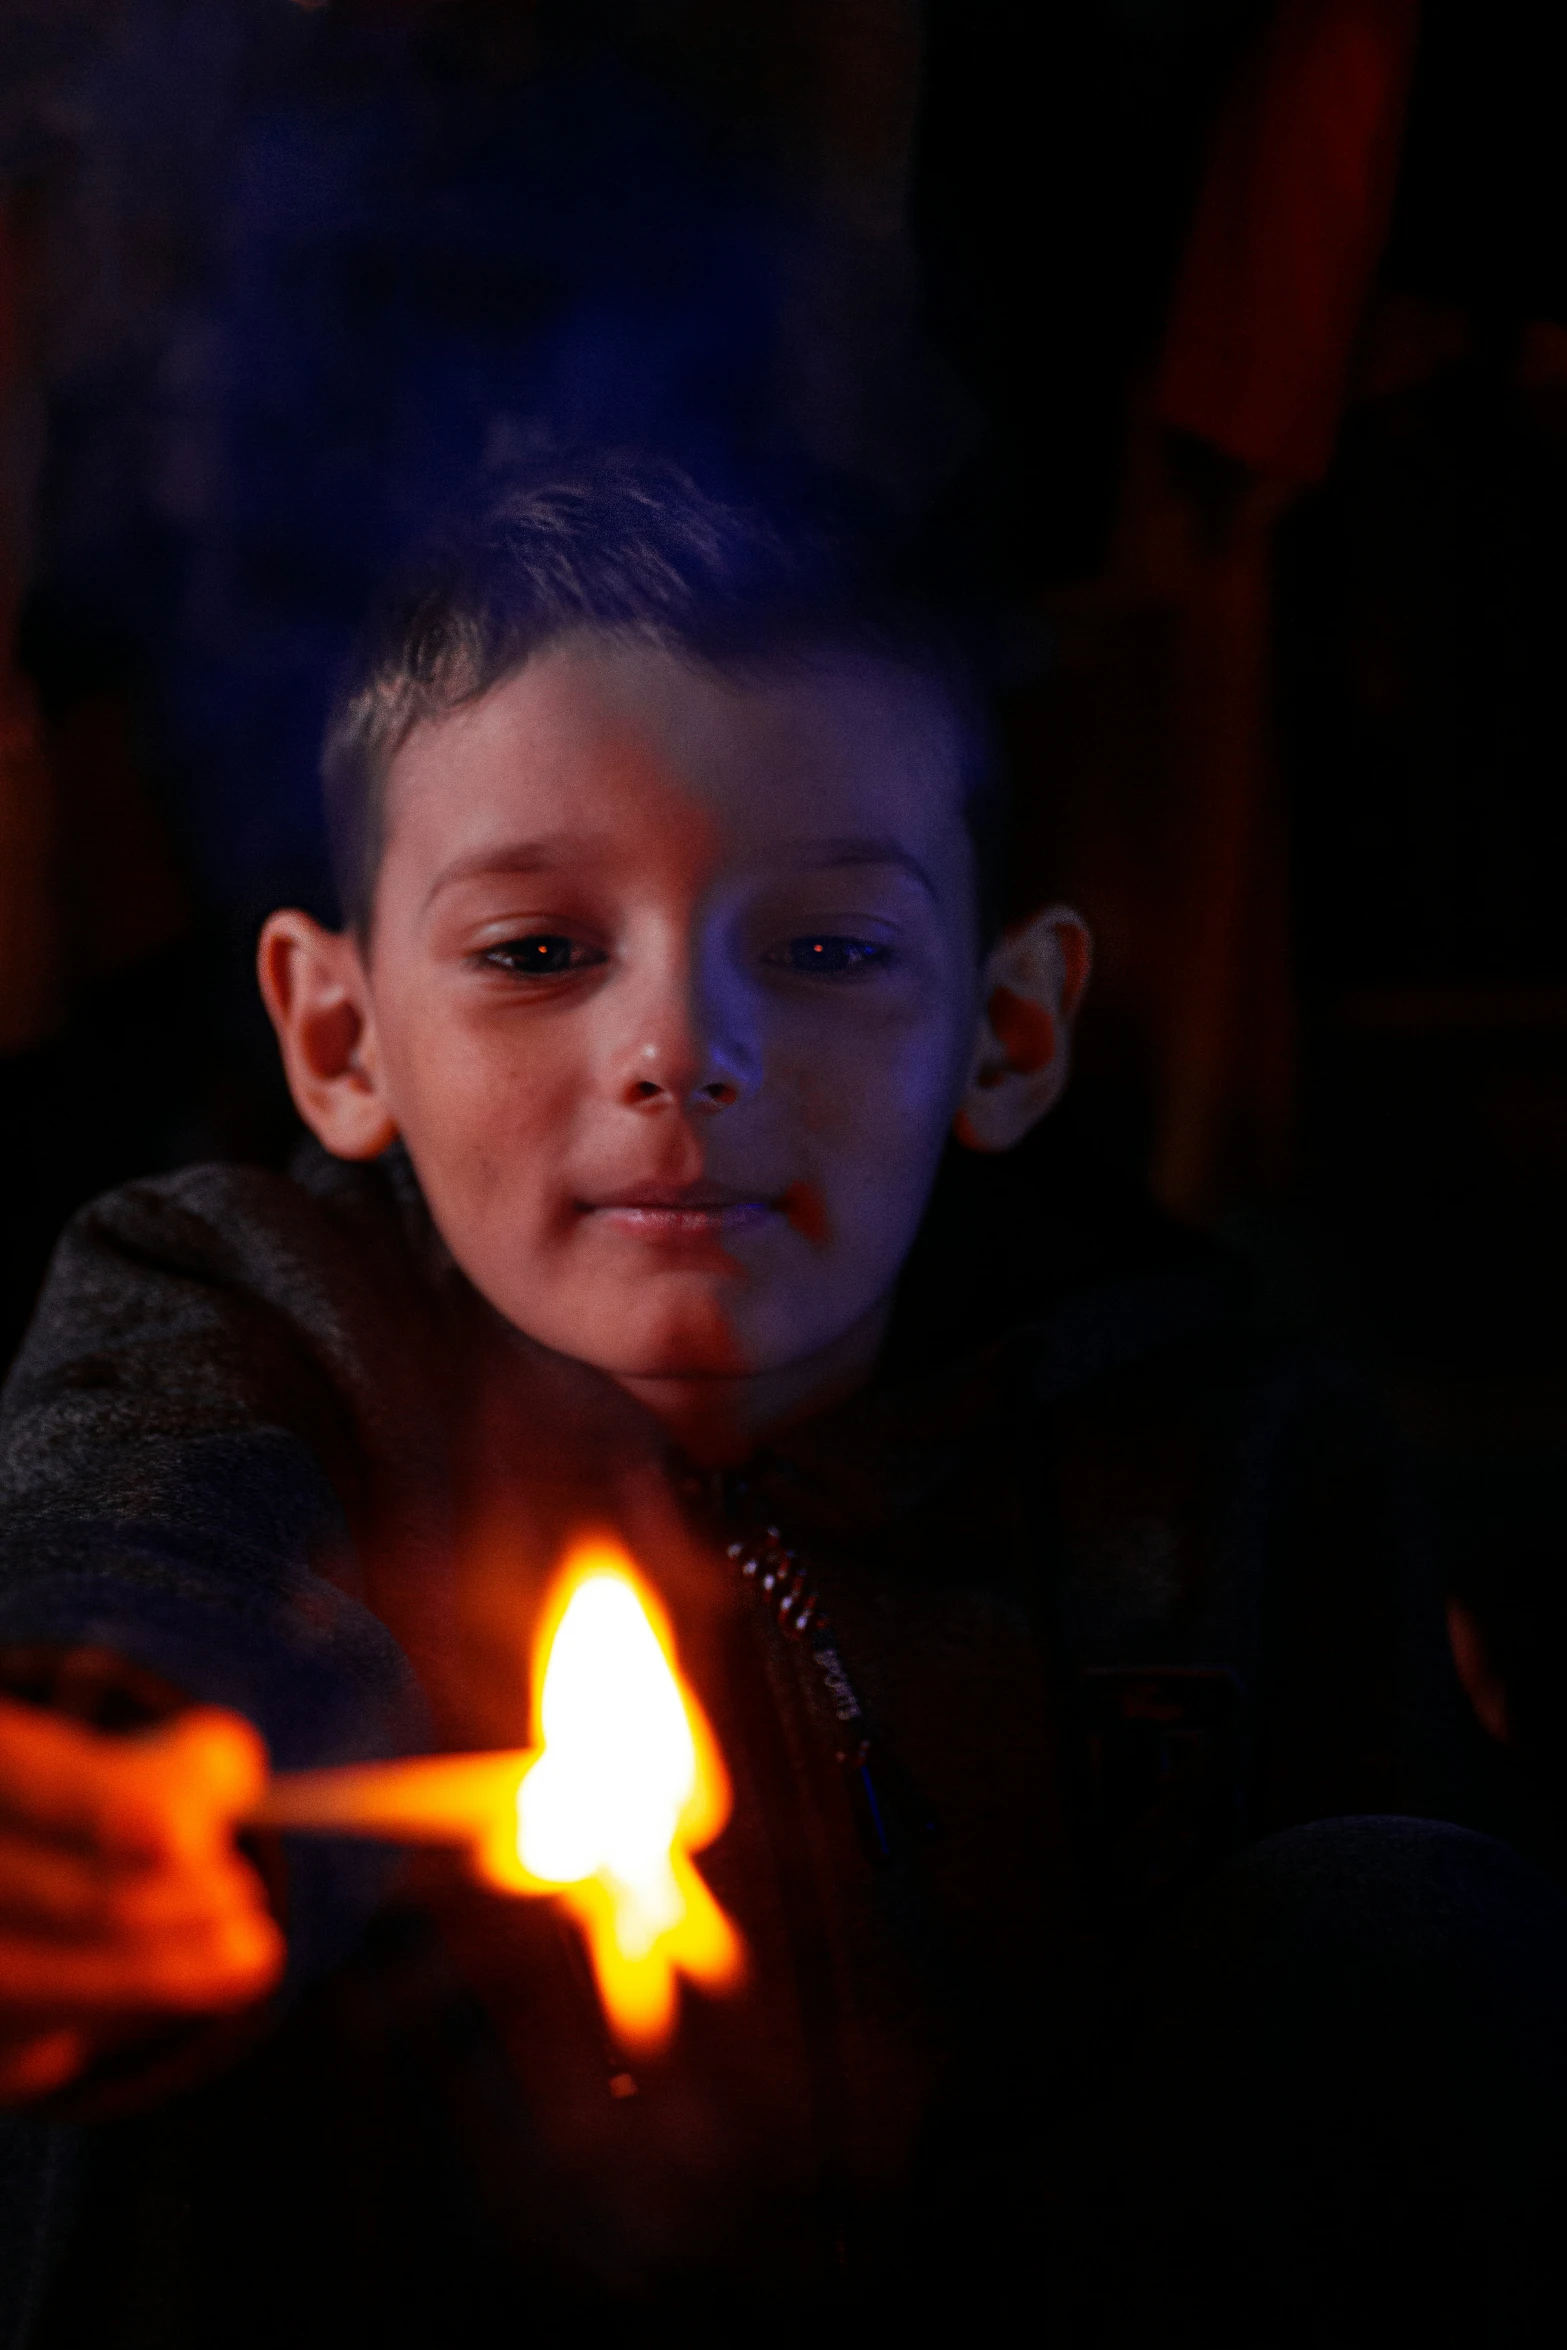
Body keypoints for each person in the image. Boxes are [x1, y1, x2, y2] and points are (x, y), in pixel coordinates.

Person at [0, 456, 1410, 2344]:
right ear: (340, 1038)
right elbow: (139, 1552)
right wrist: (103, 1749)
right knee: (182, 2010)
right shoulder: (239, 1317)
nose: (681, 1049)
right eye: (538, 952)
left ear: (1006, 1031)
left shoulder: (1221, 1445)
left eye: (825, 948)